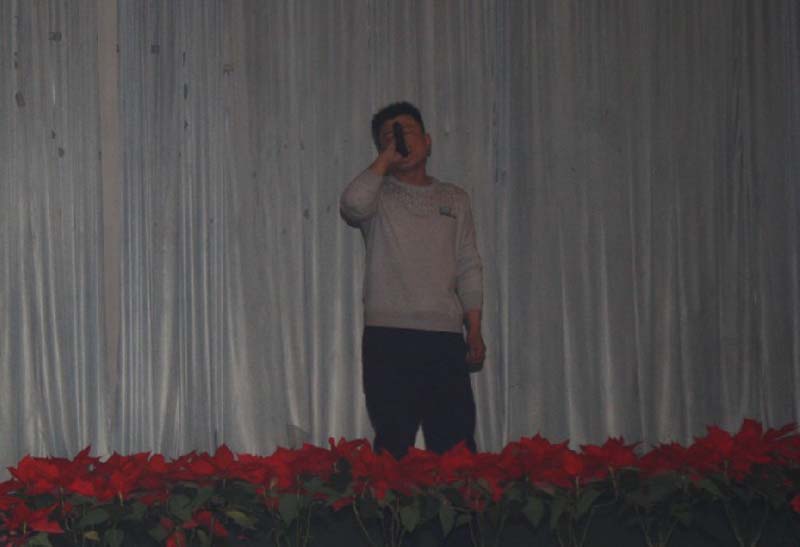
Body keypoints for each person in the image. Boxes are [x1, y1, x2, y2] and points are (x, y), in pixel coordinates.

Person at [340, 101, 485, 459]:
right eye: (390, 136)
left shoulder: (455, 198)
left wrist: (475, 329)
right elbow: (352, 205)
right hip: (388, 336)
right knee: (393, 447)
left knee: (455, 448)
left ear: (428, 140)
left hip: (445, 336)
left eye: (407, 131)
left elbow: (468, 264)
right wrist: (385, 160)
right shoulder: (377, 194)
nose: (401, 139)